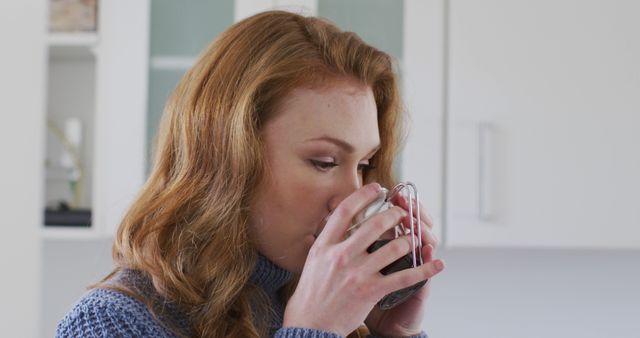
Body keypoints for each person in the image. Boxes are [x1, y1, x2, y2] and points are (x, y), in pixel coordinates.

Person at [56, 10, 445, 338]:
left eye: (363, 165)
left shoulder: (307, 303)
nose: (352, 195)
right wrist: (312, 331)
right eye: (324, 162)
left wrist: (392, 334)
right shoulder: (109, 323)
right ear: (228, 157)